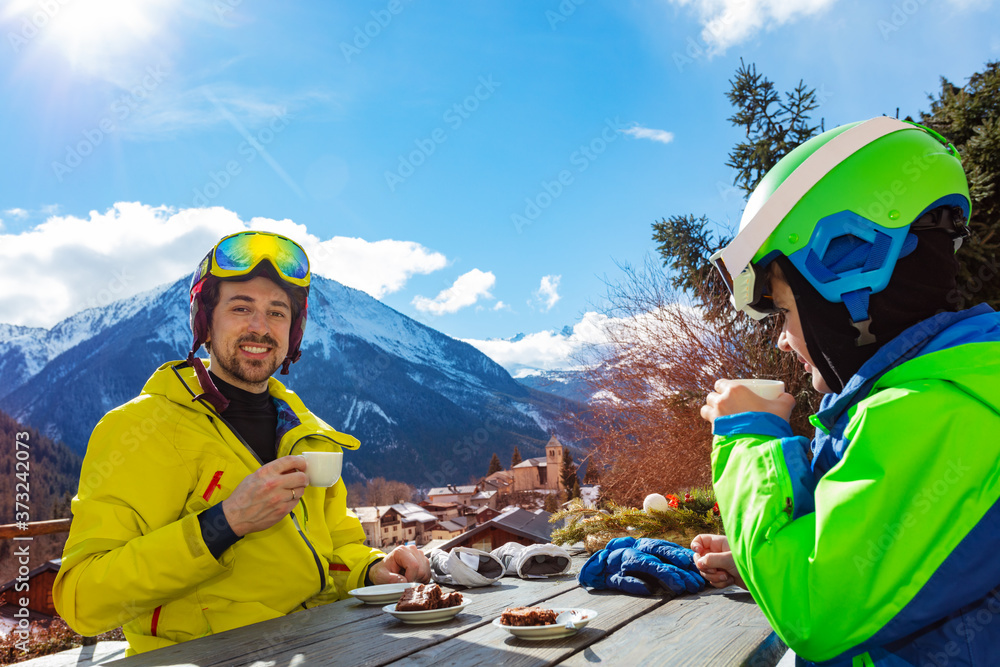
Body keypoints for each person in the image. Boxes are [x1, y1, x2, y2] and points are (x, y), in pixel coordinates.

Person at [694, 117, 1000, 666]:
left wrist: (745, 439)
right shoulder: (943, 393)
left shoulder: (942, 406)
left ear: (851, 274)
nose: (784, 342)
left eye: (784, 312)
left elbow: (815, 613)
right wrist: (757, 562)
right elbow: (886, 560)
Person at [53, 231, 431, 656]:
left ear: (294, 331)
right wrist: (225, 523)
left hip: (324, 645)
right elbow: (82, 601)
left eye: (276, 312)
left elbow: (335, 549)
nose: (260, 327)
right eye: (241, 308)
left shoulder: (309, 434)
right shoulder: (139, 428)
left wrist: (373, 569)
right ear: (205, 323)